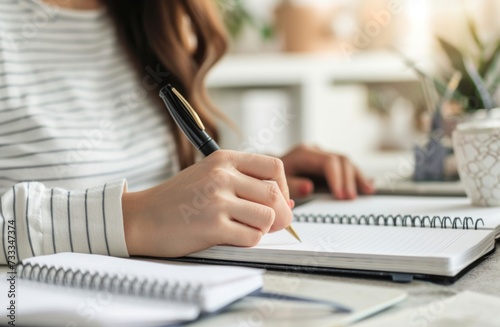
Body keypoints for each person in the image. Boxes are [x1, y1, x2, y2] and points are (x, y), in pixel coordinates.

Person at [0, 0, 374, 265]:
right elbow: (152, 211)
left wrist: (237, 184)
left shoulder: (148, 14)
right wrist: (134, 218)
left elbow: (160, 186)